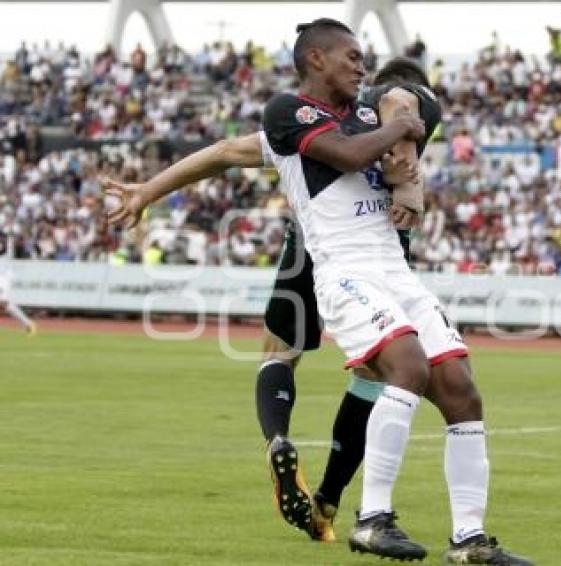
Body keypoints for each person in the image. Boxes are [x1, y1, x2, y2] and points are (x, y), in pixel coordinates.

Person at [108, 19, 531, 564]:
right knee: (407, 367)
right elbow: (351, 154)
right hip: (343, 271)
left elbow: (404, 120)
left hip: (396, 271)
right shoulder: (290, 114)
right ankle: (373, 519)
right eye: (351, 57)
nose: (362, 67)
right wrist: (148, 190)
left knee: (461, 389)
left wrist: (407, 164)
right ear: (315, 60)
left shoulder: (370, 110)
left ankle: (469, 540)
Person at [0, 236, 37, 335]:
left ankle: (28, 324)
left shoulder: (5, 246)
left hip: (3, 277)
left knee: (3, 303)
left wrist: (9, 241)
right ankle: (28, 324)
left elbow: (5, 248)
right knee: (4, 305)